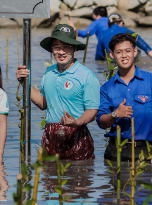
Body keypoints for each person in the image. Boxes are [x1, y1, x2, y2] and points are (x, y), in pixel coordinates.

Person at [16, 24, 100, 160]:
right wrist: (24, 83)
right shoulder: (49, 72)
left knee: (78, 178)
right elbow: (43, 103)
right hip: (51, 134)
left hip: (77, 135)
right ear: (52, 50)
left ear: (74, 48)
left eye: (66, 46)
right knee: (49, 178)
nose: (61, 52)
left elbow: (92, 111)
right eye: (57, 47)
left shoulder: (87, 76)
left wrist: (77, 122)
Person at [97, 33, 152, 162]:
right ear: (112, 55)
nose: (124, 55)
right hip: (115, 152)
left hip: (145, 151)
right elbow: (101, 122)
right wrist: (115, 114)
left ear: (135, 52)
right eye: (119, 52)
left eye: (128, 51)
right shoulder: (107, 88)